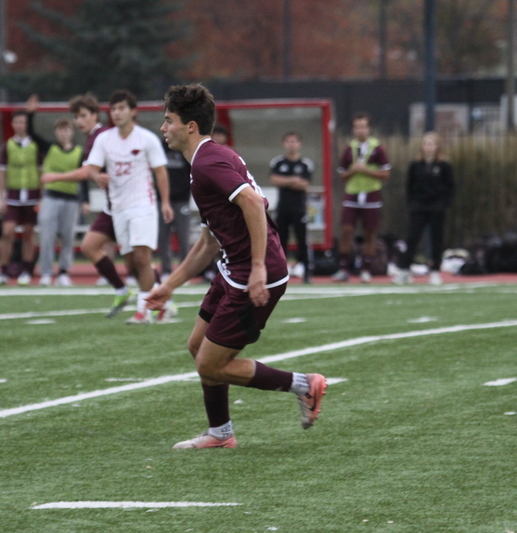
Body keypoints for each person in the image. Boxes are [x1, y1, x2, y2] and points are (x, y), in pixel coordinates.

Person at [148, 83, 327, 449]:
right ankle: (220, 433)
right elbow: (209, 241)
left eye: (169, 121)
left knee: (210, 364)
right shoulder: (206, 160)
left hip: (252, 273)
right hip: (233, 268)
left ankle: (305, 385)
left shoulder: (209, 161)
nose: (163, 128)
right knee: (198, 347)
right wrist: (170, 285)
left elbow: (252, 203)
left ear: (191, 126)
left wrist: (259, 267)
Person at [40, 93, 134, 318]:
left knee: (137, 259)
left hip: (127, 205)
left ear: (95, 115)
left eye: (83, 115)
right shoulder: (95, 137)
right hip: (114, 206)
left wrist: (54, 177)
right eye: (76, 117)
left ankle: (163, 301)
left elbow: (85, 172)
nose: (79, 121)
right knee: (90, 247)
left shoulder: (100, 136)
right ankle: (122, 290)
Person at [84, 89, 174, 325]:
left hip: (143, 205)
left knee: (143, 258)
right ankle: (160, 300)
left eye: (122, 108)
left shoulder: (147, 139)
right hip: (118, 208)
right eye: (113, 109)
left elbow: (160, 171)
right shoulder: (104, 139)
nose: (117, 113)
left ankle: (143, 310)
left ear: (133, 112)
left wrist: (165, 202)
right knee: (132, 263)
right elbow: (91, 167)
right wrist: (97, 176)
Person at [26, 94, 84, 287]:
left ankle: (64, 272)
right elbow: (31, 133)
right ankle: (45, 272)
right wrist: (31, 114)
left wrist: (85, 200)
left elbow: (83, 176)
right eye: (60, 130)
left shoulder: (78, 152)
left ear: (72, 132)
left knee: (68, 238)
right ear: (56, 132)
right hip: (51, 197)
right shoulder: (49, 147)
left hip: (71, 199)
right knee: (47, 237)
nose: (64, 133)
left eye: (67, 130)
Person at [332, 113, 390, 283]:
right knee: (346, 230)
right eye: (357, 127)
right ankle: (343, 269)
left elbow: (385, 173)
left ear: (369, 128)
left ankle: (366, 269)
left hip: (371, 193)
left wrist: (366, 170)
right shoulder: (349, 149)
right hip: (352, 193)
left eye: (363, 126)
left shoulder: (377, 148)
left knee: (369, 233)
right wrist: (353, 170)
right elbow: (342, 175)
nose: (360, 130)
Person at [393, 132, 455, 286]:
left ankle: (435, 272)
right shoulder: (415, 165)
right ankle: (405, 271)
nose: (429, 147)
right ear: (422, 146)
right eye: (426, 144)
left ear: (437, 147)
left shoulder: (444, 166)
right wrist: (412, 205)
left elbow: (450, 187)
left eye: (432, 144)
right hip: (419, 207)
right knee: (412, 239)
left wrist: (443, 205)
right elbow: (409, 187)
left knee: (436, 240)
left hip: (436, 208)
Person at [0, 110, 43, 286]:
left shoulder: (35, 145)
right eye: (17, 122)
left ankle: (27, 271)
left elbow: (42, 172)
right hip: (13, 196)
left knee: (28, 233)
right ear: (12, 124)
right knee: (7, 232)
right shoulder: (7, 146)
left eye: (23, 122)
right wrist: (1, 198)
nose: (20, 125)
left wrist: (42, 198)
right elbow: (1, 173)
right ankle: (3, 271)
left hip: (32, 196)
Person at [269, 131, 314, 283]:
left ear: (299, 144)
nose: (291, 144)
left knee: (302, 240)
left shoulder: (305, 163)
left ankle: (307, 272)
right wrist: (292, 180)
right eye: (288, 141)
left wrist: (289, 181)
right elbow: (275, 180)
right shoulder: (278, 162)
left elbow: (305, 184)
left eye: (294, 141)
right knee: (281, 241)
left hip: (299, 209)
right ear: (284, 144)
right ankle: (280, 273)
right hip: (282, 208)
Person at [157, 139, 192, 277]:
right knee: (163, 237)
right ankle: (166, 269)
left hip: (182, 200)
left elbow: (192, 170)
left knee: (184, 237)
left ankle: (184, 271)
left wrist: (187, 192)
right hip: (161, 200)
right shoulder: (159, 147)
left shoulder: (185, 147)